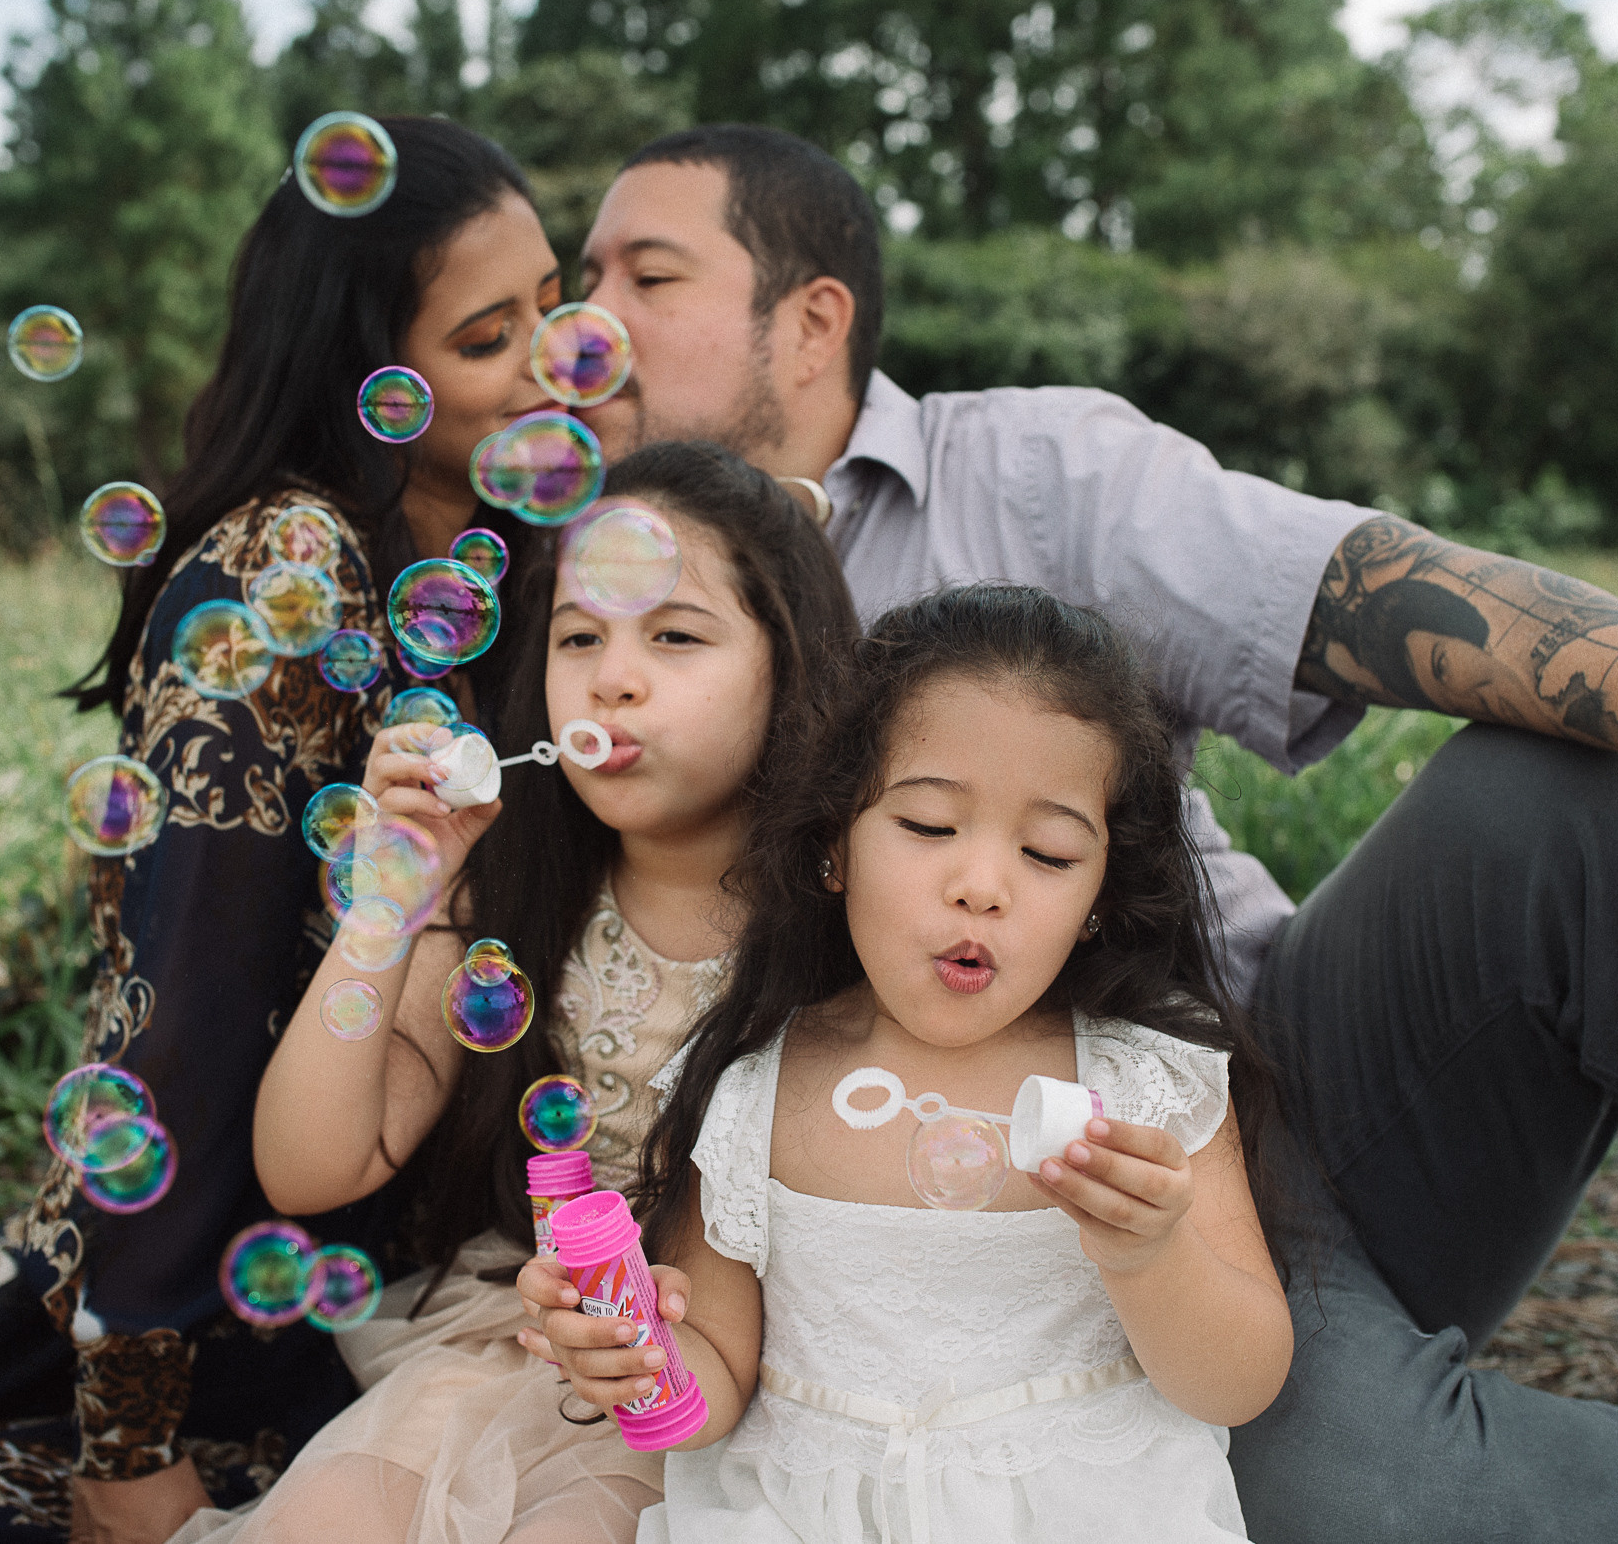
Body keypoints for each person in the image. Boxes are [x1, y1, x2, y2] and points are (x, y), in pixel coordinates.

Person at [567, 122, 1618, 1540]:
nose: (582, 320)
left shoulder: (1031, 473)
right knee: (1322, 1503)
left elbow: (1355, 589)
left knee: (1554, 799)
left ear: (811, 318)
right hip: (944, 1288)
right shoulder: (577, 588)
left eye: (644, 274)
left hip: (1255, 1102)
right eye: (571, 278)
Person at [0, 117, 565, 1544]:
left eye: (553, 301)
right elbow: (187, 1007)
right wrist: (129, 1429)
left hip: (402, 1264)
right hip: (221, 1287)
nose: (550, 358)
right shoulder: (289, 566)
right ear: (372, 375)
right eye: (489, 334)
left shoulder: (492, 546)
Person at [163, 442, 860, 1544]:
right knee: (328, 1520)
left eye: (674, 634)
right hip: (526, 1339)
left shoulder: (852, 913)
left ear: (794, 657)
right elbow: (311, 1165)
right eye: (579, 636)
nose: (612, 676)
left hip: (756, 1378)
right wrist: (394, 895)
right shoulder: (518, 893)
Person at [523, 583, 1292, 1539]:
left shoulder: (1144, 1087)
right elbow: (713, 1380)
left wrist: (1153, 1252)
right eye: (929, 827)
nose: (982, 887)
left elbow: (1240, 1383)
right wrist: (633, 1350)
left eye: (1050, 853)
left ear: (1101, 892)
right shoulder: (753, 1088)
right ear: (834, 844)